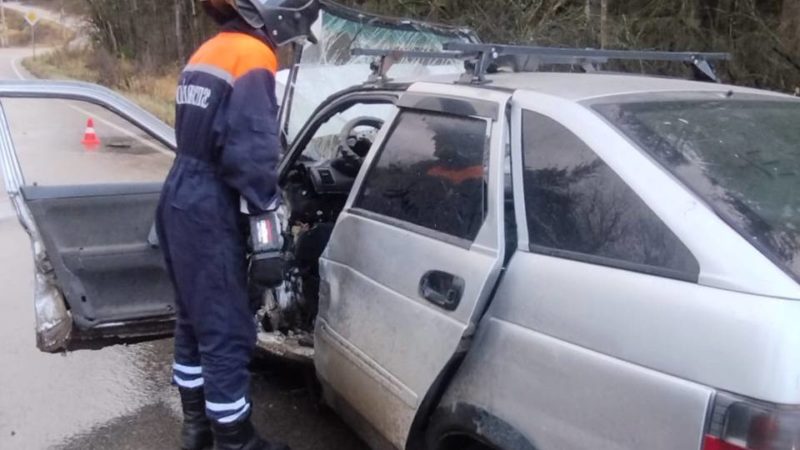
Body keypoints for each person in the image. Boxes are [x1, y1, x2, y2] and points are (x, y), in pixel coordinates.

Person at [156, 1, 320, 449]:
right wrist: (268, 224)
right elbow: (249, 152)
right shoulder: (253, 55)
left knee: (192, 319)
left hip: (180, 193)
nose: (287, 46)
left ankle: (197, 430)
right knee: (226, 329)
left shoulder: (209, 50)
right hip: (211, 204)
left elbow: (201, 131)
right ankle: (235, 441)